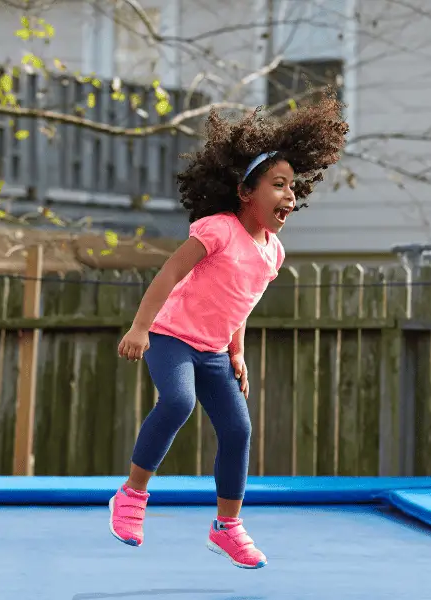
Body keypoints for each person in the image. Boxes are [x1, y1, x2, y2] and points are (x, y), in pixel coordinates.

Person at [109, 94, 349, 568]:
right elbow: (169, 275)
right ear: (245, 192)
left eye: (293, 187)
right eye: (278, 185)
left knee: (238, 429)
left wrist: (237, 352)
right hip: (171, 336)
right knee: (178, 402)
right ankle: (131, 497)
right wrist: (140, 327)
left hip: (215, 350)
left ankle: (227, 527)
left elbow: (241, 303)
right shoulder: (217, 229)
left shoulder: (273, 253)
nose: (289, 195)